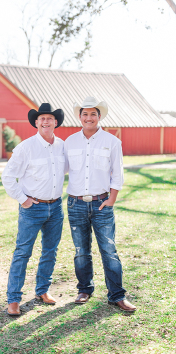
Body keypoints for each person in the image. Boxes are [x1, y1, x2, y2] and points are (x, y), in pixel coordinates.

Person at [64, 97, 135, 312]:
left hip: (101, 203)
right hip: (75, 204)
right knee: (81, 250)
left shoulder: (112, 141)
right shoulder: (70, 142)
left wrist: (111, 199)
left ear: (99, 116)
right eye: (84, 114)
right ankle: (85, 289)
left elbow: (117, 172)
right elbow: (59, 170)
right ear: (79, 117)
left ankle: (117, 295)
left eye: (92, 114)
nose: (88, 118)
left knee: (109, 250)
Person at [1, 103, 66, 316]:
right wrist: (23, 199)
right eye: (42, 119)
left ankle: (42, 291)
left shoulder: (62, 146)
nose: (46, 121)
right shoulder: (25, 148)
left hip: (55, 207)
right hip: (33, 208)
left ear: (56, 122)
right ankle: (13, 300)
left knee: (50, 251)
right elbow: (8, 177)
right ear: (36, 123)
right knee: (22, 252)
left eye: (50, 118)